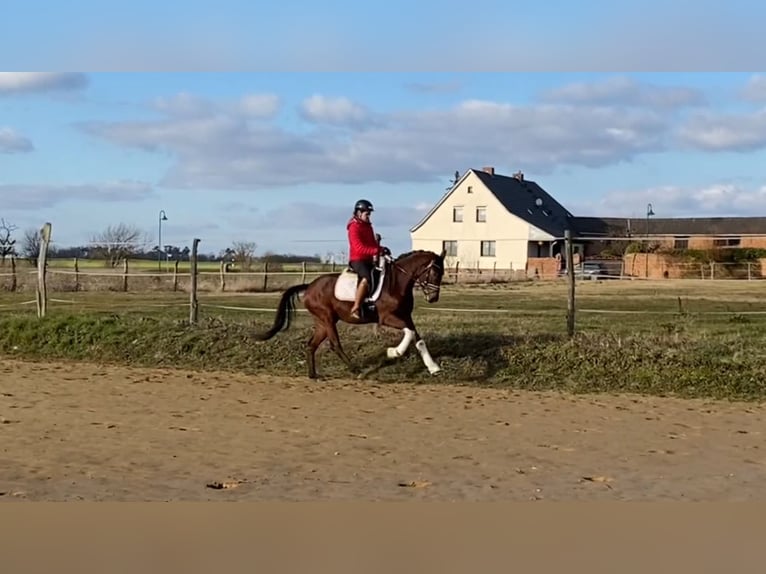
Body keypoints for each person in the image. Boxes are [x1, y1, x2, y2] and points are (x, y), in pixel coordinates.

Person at [346, 199, 388, 319]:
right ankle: (356, 307)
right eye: (367, 214)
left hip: (369, 259)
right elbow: (359, 248)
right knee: (367, 278)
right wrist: (377, 250)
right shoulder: (353, 227)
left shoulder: (368, 226)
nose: (369, 216)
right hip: (357, 260)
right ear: (359, 213)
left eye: (369, 214)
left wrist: (382, 248)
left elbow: (372, 245)